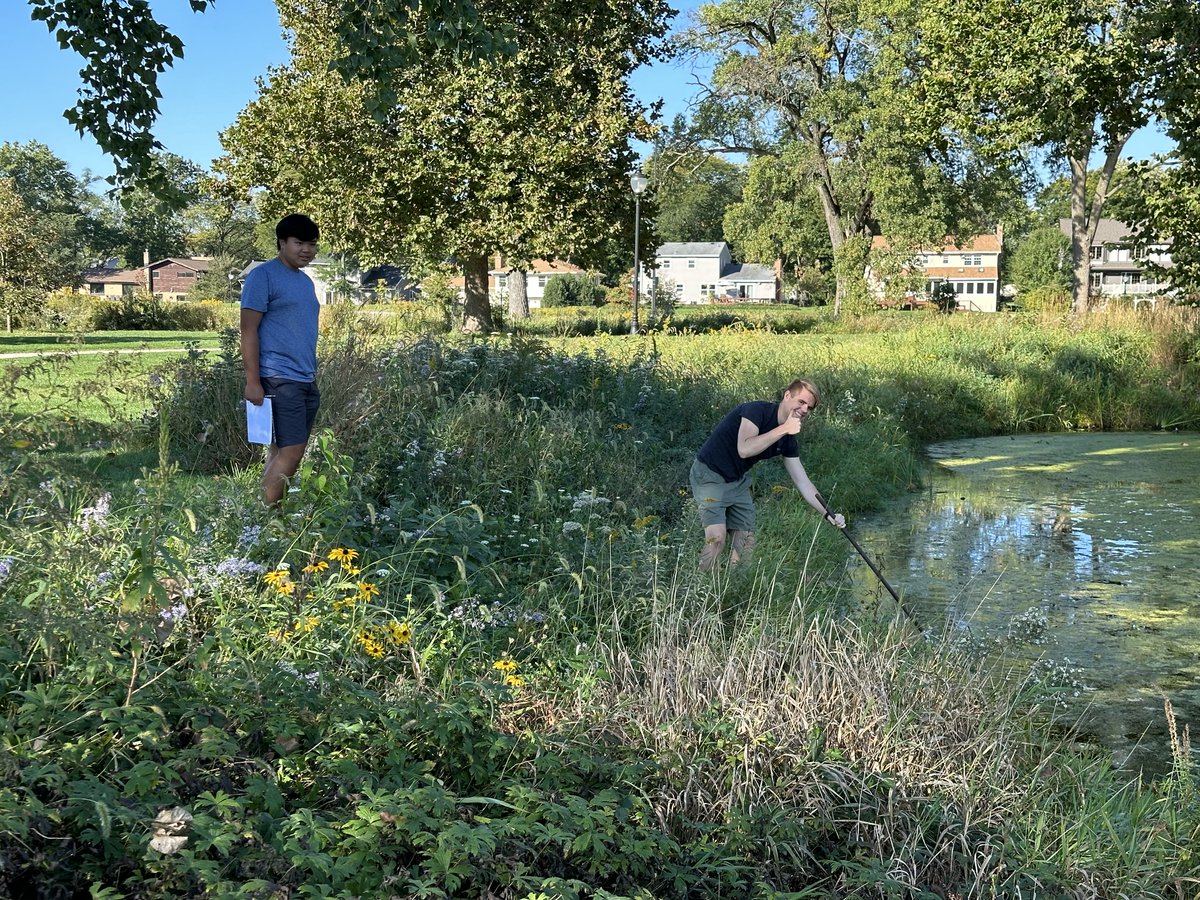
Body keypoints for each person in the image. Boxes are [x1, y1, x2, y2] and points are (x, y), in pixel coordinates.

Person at [690, 378, 845, 571]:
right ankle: (700, 587)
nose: (805, 410)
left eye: (810, 407)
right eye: (802, 402)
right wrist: (784, 429)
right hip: (709, 475)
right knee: (716, 539)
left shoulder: (788, 441)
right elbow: (744, 449)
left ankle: (732, 591)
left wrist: (828, 513)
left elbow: (803, 482)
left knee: (746, 544)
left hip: (737, 482)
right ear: (787, 395)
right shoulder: (756, 412)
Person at [240, 213, 322, 506]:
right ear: (281, 242)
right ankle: (265, 516)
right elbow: (248, 330)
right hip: (277, 377)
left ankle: (261, 517)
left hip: (305, 378)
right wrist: (253, 381)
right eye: (299, 243)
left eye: (312, 245)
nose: (307, 250)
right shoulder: (262, 276)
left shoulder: (304, 281)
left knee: (279, 451)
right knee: (293, 451)